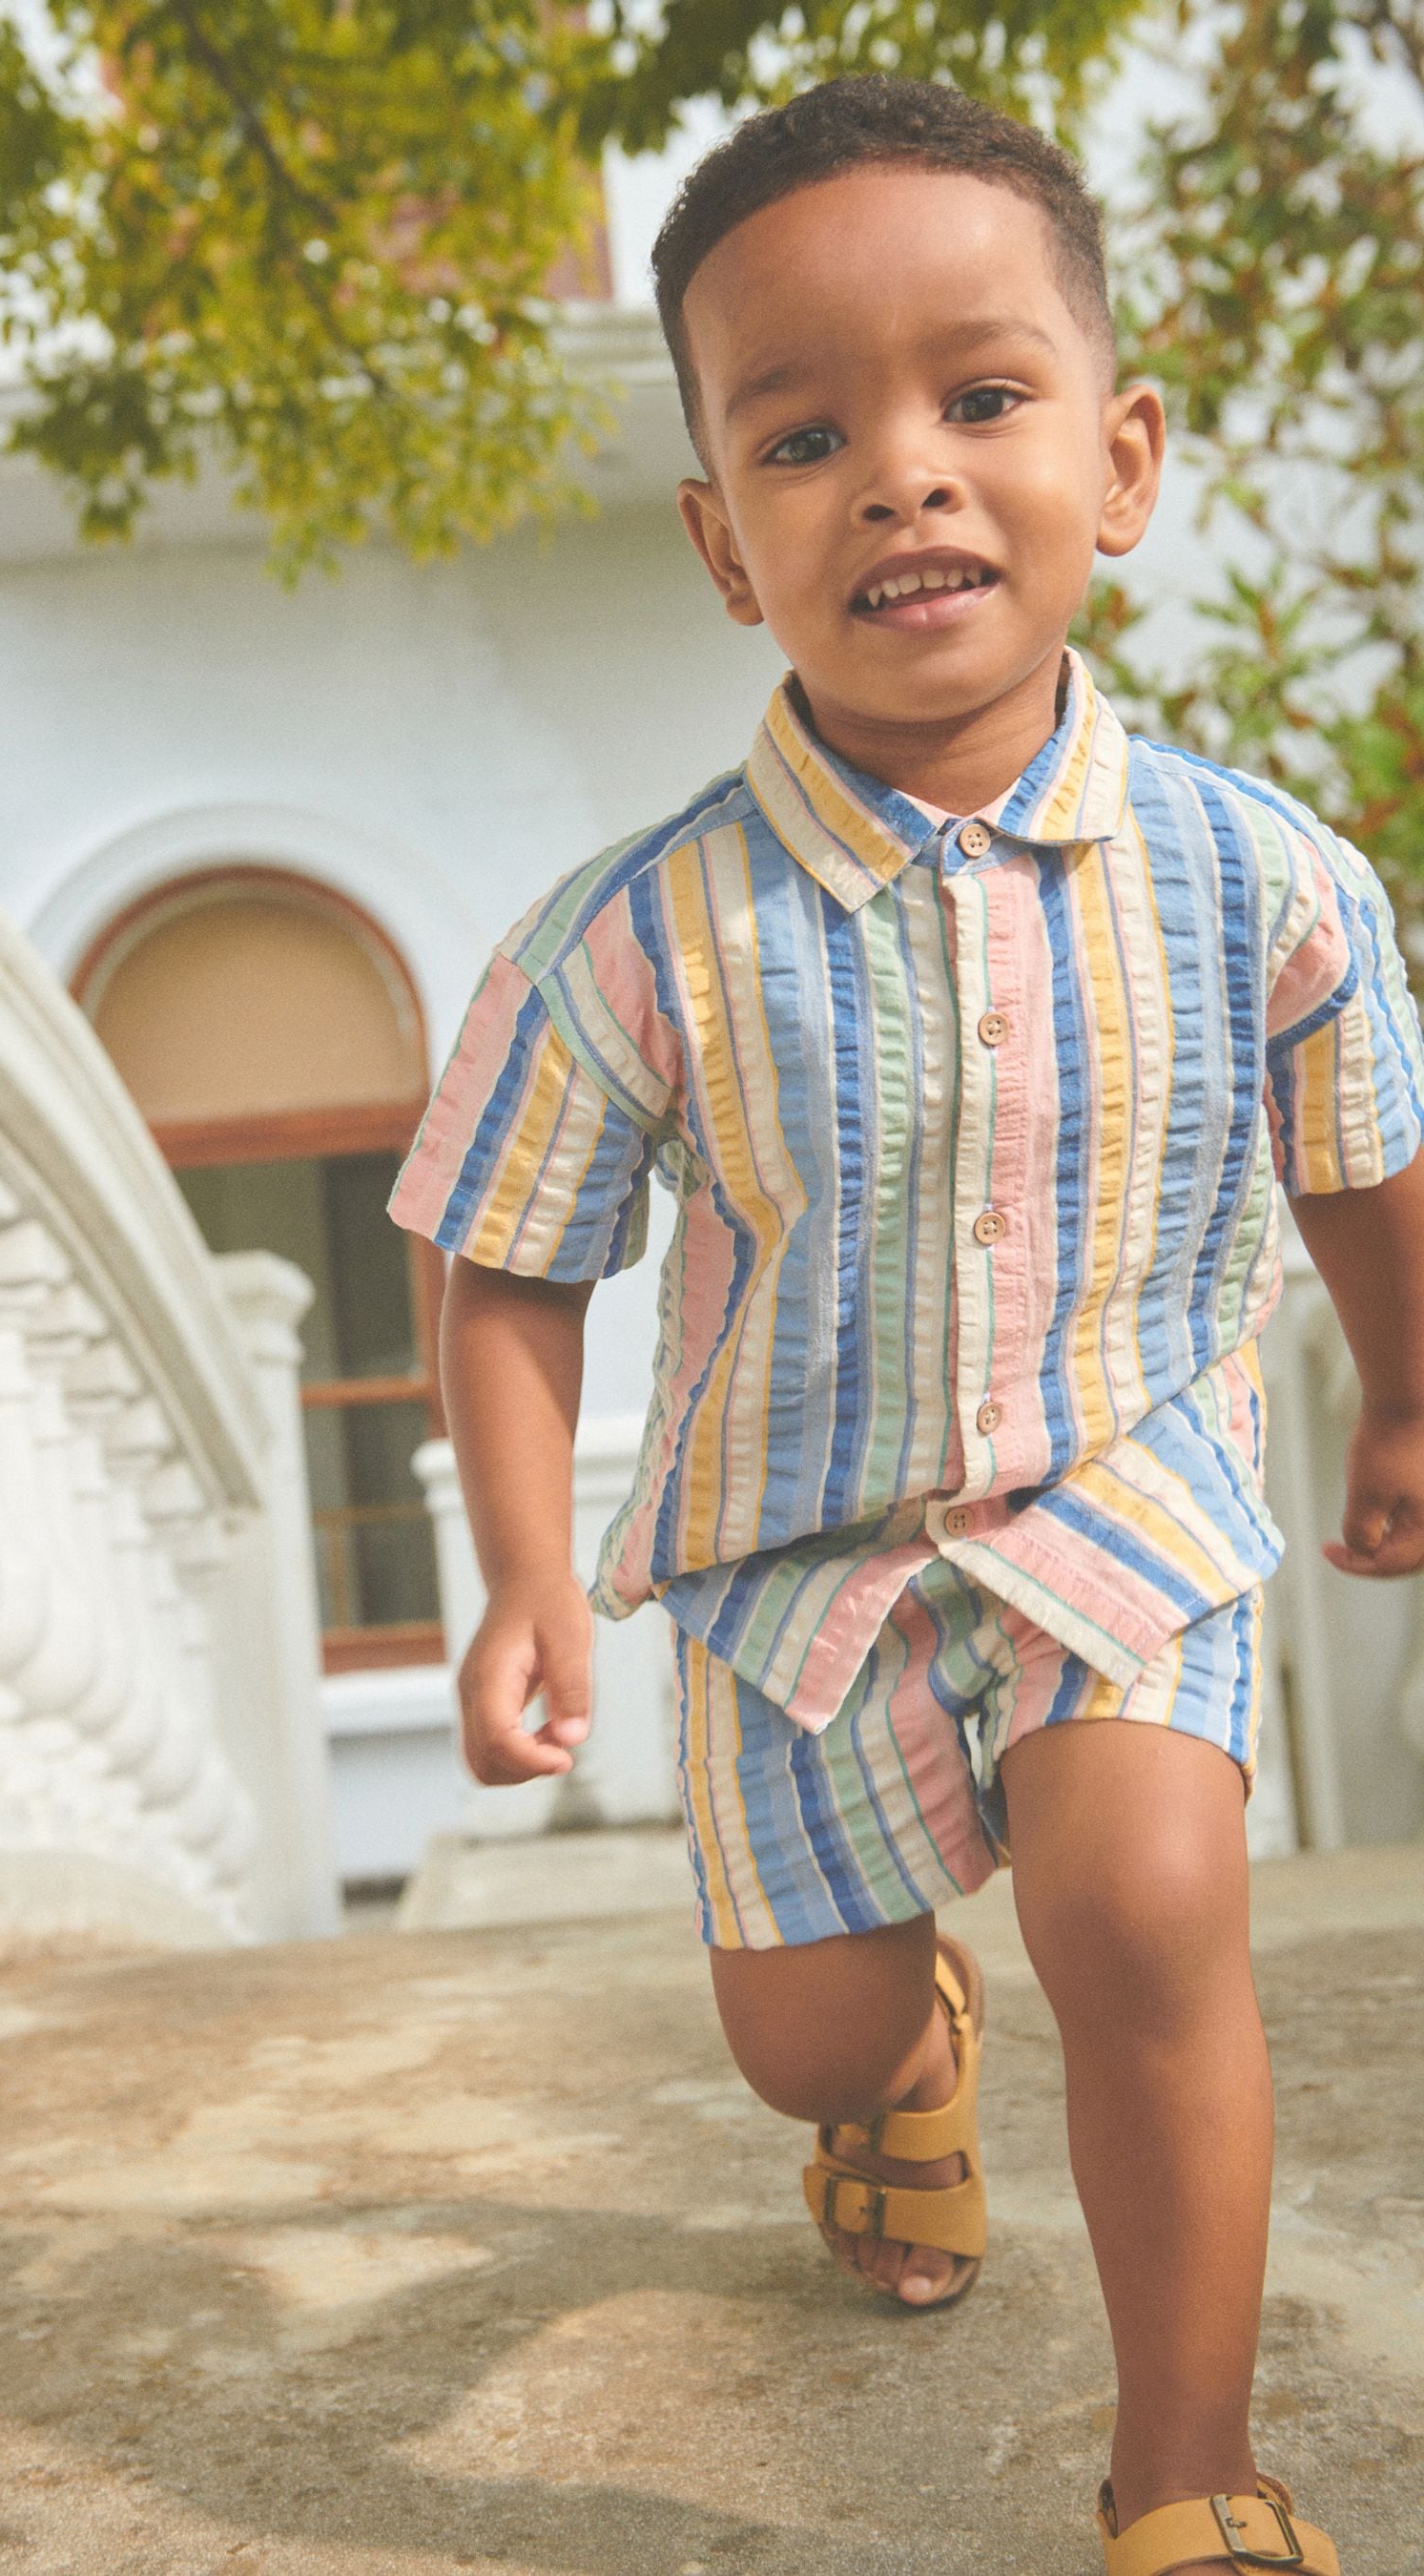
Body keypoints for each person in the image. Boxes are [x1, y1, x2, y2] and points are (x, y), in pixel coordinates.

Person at [388, 73, 1424, 2576]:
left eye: (982, 399)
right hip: (791, 1574)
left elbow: (1358, 1156)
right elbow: (503, 1244)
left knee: (1152, 1905)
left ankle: (1188, 2466)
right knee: (804, 2033)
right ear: (724, 545)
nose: (905, 475)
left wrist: (1407, 1391)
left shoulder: (1256, 873)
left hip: (1121, 1500)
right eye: (806, 431)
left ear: (1126, 454)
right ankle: (902, 2062)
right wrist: (532, 1572)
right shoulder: (636, 938)